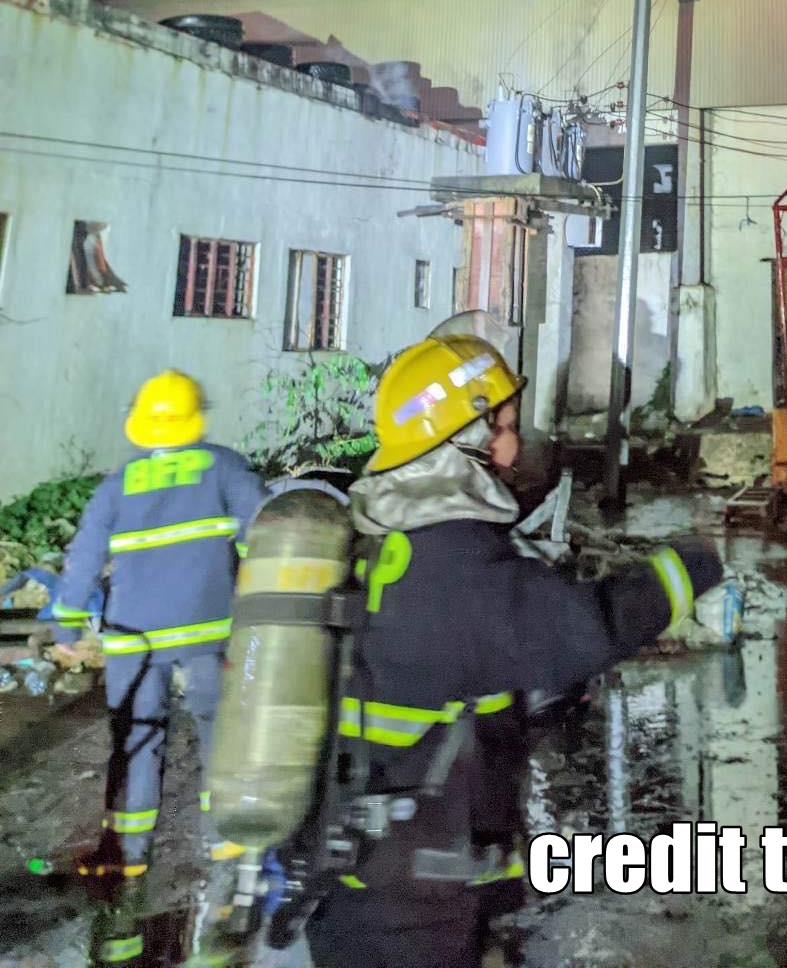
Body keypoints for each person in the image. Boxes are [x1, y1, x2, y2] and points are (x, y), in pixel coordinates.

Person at [301, 332, 722, 968]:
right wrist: (692, 564)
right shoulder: (454, 560)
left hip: (349, 877)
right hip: (412, 903)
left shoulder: (379, 534)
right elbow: (586, 631)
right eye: (499, 426)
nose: (513, 444)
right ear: (456, 443)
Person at [52, 370, 266, 878]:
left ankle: (129, 856)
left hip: (135, 638)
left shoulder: (117, 485)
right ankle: (227, 845)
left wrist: (66, 628)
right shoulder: (225, 469)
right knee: (221, 734)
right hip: (208, 631)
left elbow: (83, 557)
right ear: (196, 420)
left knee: (136, 741)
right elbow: (263, 535)